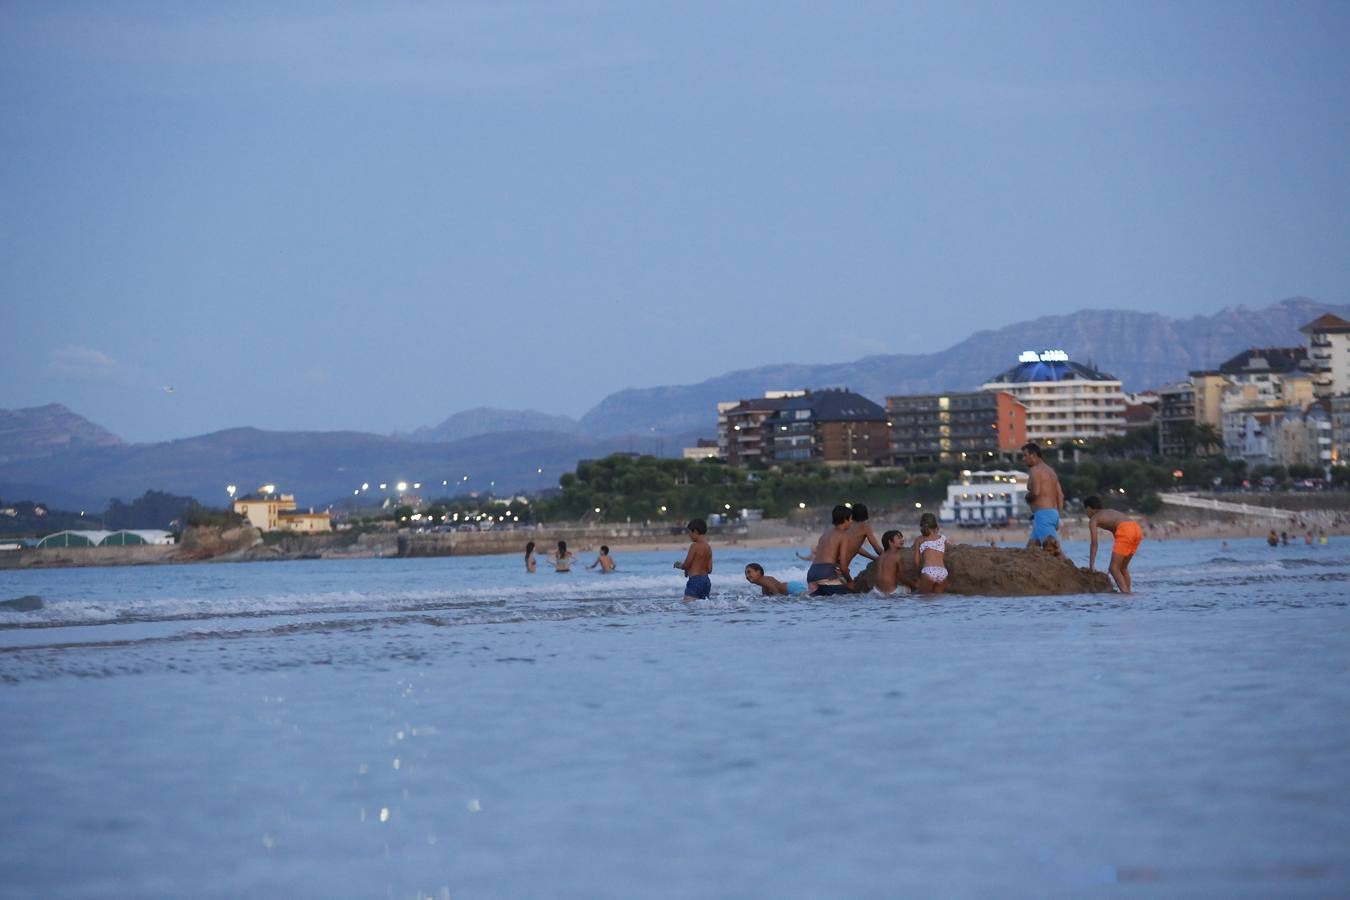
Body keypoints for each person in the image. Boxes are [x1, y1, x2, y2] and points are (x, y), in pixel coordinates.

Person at [1084, 495, 1143, 594]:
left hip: (1125, 530)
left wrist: (1091, 565)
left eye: (1086, 510)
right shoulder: (1109, 512)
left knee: (1113, 568)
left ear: (1089, 508)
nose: (1086, 513)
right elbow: (1114, 528)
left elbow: (1094, 544)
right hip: (1136, 529)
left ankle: (1126, 593)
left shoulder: (1094, 519)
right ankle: (1128, 593)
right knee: (1122, 567)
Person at [1022, 442, 1064, 550]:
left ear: (1033, 455)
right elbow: (1060, 495)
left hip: (1043, 516)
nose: (1024, 459)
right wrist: (1057, 516)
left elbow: (1036, 492)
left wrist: (1027, 497)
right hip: (1051, 514)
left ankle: (1069, 567)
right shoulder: (1051, 471)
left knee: (1055, 550)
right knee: (1030, 550)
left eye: (1025, 455)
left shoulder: (1035, 470)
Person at [806, 505, 854, 596]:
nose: (852, 522)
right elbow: (843, 566)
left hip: (812, 573)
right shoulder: (843, 536)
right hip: (826, 573)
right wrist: (850, 582)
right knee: (850, 596)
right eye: (851, 519)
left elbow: (825, 556)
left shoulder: (825, 534)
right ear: (845, 519)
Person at [674, 518, 713, 600]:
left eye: (689, 532)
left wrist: (679, 565)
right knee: (703, 608)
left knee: (689, 607)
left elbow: (686, 564)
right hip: (706, 581)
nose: (689, 535)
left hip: (695, 581)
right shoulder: (708, 547)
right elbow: (709, 569)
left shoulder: (694, 546)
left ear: (695, 531)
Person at [868, 529, 913, 596]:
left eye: (902, 538)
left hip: (876, 591)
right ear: (890, 542)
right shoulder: (897, 556)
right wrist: (914, 584)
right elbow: (902, 577)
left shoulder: (881, 556)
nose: (902, 540)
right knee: (909, 590)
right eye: (899, 538)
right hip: (892, 592)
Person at [914, 513, 948, 594]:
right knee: (938, 603)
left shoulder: (919, 539)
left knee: (925, 602)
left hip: (928, 571)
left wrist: (917, 575)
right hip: (942, 572)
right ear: (935, 524)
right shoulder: (943, 538)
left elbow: (916, 562)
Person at [844, 503, 884, 572]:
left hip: (827, 564)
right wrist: (889, 556)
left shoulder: (846, 525)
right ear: (866, 514)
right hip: (838, 568)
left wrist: (873, 558)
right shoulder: (865, 527)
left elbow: (855, 547)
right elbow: (877, 548)